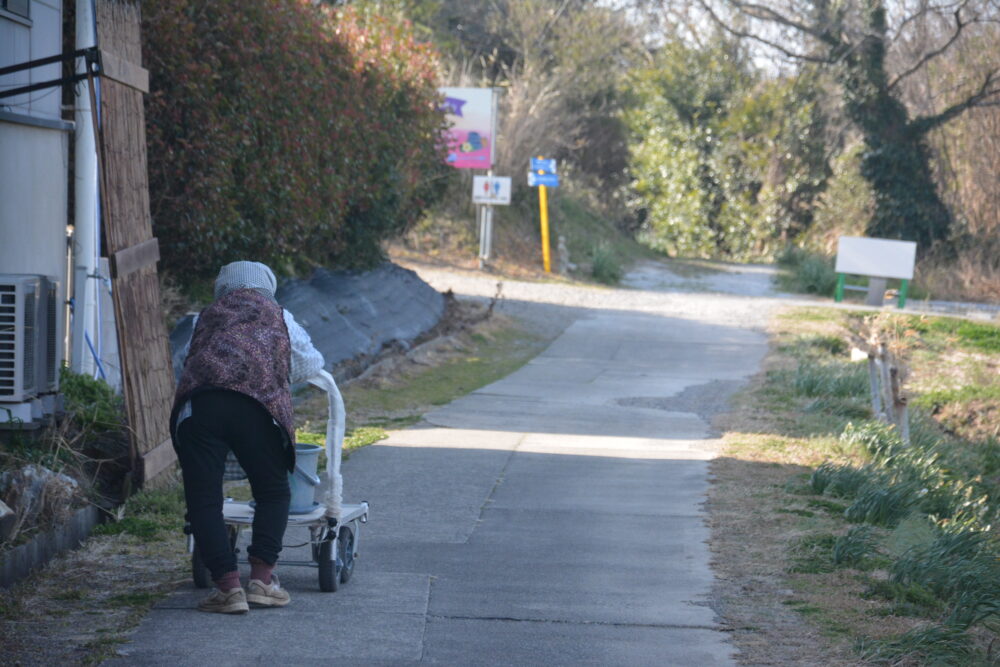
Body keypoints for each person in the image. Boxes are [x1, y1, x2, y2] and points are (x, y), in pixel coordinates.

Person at [171, 261, 324, 614]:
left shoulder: (203, 318)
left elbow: (185, 361)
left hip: (202, 409)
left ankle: (227, 588)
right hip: (258, 409)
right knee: (272, 491)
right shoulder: (279, 316)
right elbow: (309, 365)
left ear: (221, 287)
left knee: (204, 499)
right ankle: (261, 582)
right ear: (266, 286)